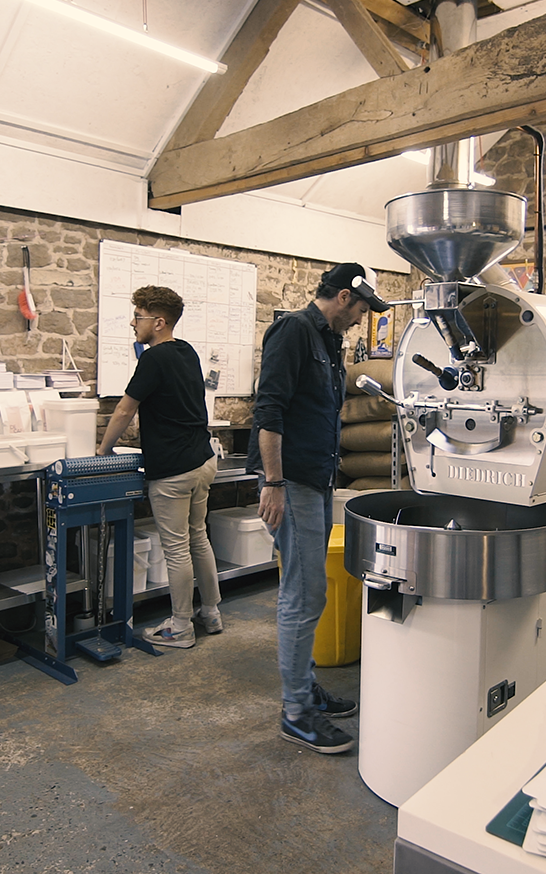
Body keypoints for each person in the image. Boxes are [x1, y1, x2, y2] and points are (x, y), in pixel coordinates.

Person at [248, 262, 388, 754]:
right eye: (364, 308)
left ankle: (305, 689)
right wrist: (273, 482)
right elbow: (269, 410)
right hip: (293, 481)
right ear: (347, 297)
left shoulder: (328, 340)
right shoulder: (293, 330)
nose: (363, 318)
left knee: (308, 592)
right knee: (303, 596)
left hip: (317, 479)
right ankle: (296, 712)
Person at [98, 285, 222, 649]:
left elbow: (124, 409)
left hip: (173, 470)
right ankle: (211, 612)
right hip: (202, 461)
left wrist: (104, 450)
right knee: (198, 536)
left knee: (176, 547)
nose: (133, 324)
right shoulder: (187, 352)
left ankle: (181, 626)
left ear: (159, 321)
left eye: (138, 317)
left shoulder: (152, 359)